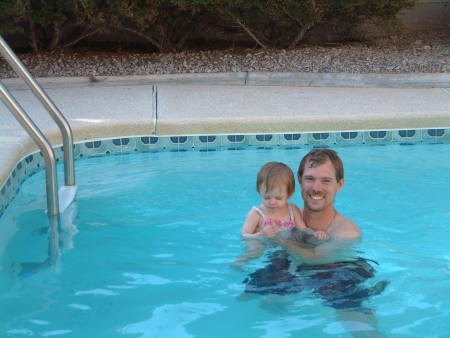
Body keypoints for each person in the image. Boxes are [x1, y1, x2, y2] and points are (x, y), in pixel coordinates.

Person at [241, 162, 328, 240]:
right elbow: (244, 235)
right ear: (259, 191)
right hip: (265, 247)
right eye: (267, 197)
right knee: (254, 250)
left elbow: (303, 230)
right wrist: (260, 235)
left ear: (289, 194)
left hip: (288, 248)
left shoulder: (292, 210)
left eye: (278, 198)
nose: (272, 202)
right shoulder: (257, 214)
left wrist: (315, 233)